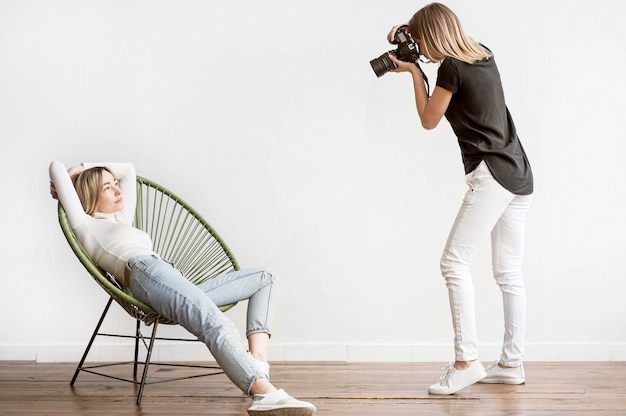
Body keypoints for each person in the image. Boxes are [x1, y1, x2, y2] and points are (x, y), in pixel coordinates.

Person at [49, 160, 316, 416]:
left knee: (264, 278)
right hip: (145, 273)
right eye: (107, 187)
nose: (118, 189)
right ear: (89, 194)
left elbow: (128, 170)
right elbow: (56, 168)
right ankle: (263, 394)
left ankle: (257, 362)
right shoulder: (85, 224)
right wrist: (74, 174)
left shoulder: (122, 219)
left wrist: (88, 168)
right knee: (217, 324)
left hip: (165, 277)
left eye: (114, 183)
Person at [386, 3, 533, 395]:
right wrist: (408, 33)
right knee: (508, 274)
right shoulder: (483, 52)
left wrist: (414, 72)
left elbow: (429, 119)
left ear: (431, 36)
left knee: (453, 263)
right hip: (518, 171)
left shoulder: (449, 67)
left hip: (491, 175)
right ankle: (512, 363)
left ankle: (466, 360)